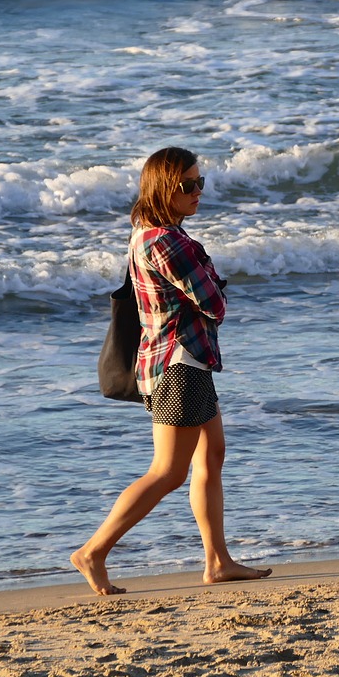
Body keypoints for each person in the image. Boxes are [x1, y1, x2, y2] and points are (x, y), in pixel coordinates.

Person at [71, 147, 272, 595]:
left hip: (185, 360)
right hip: (176, 363)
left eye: (201, 182)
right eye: (188, 185)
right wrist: (209, 273)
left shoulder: (148, 232)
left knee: (212, 454)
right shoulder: (165, 241)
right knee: (167, 470)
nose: (198, 191)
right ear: (165, 189)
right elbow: (214, 304)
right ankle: (94, 551)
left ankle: (218, 561)